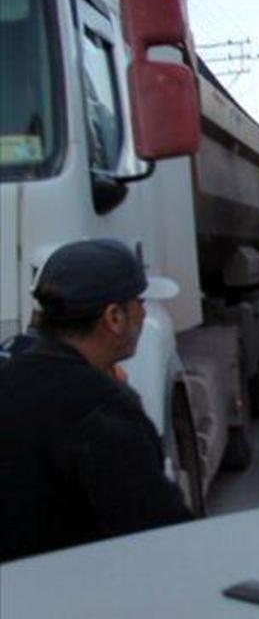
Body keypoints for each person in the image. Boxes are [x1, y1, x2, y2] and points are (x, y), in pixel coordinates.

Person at [0, 239, 192, 562]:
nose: (145, 313)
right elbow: (161, 534)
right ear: (114, 318)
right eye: (139, 302)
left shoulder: (11, 372)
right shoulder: (102, 410)